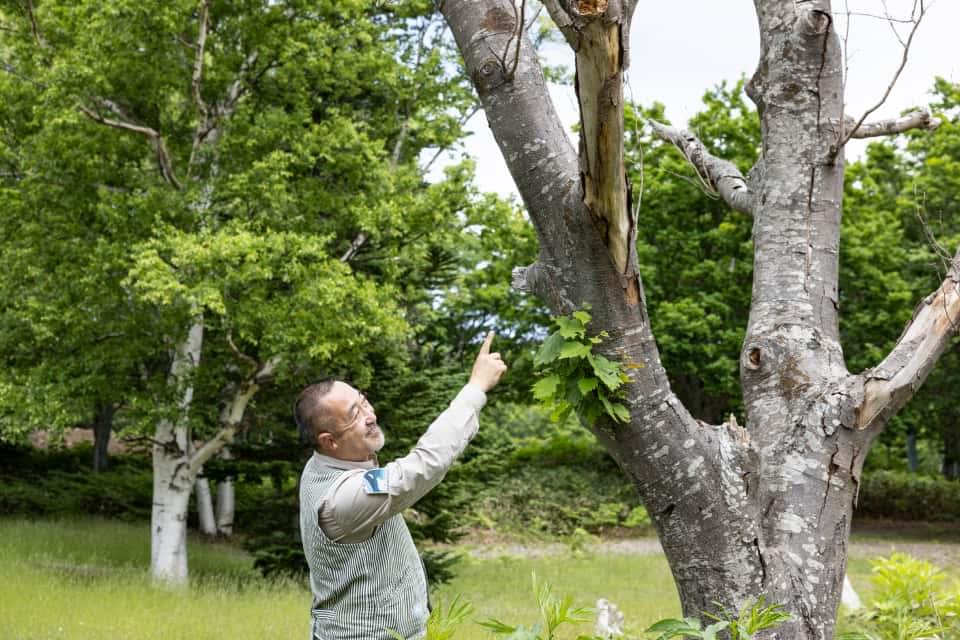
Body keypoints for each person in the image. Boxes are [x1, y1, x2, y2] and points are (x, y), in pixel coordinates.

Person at [295, 332, 507, 640]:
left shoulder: (322, 464)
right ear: (330, 441)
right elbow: (423, 467)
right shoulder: (343, 500)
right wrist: (475, 389)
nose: (370, 416)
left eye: (363, 401)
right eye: (354, 415)